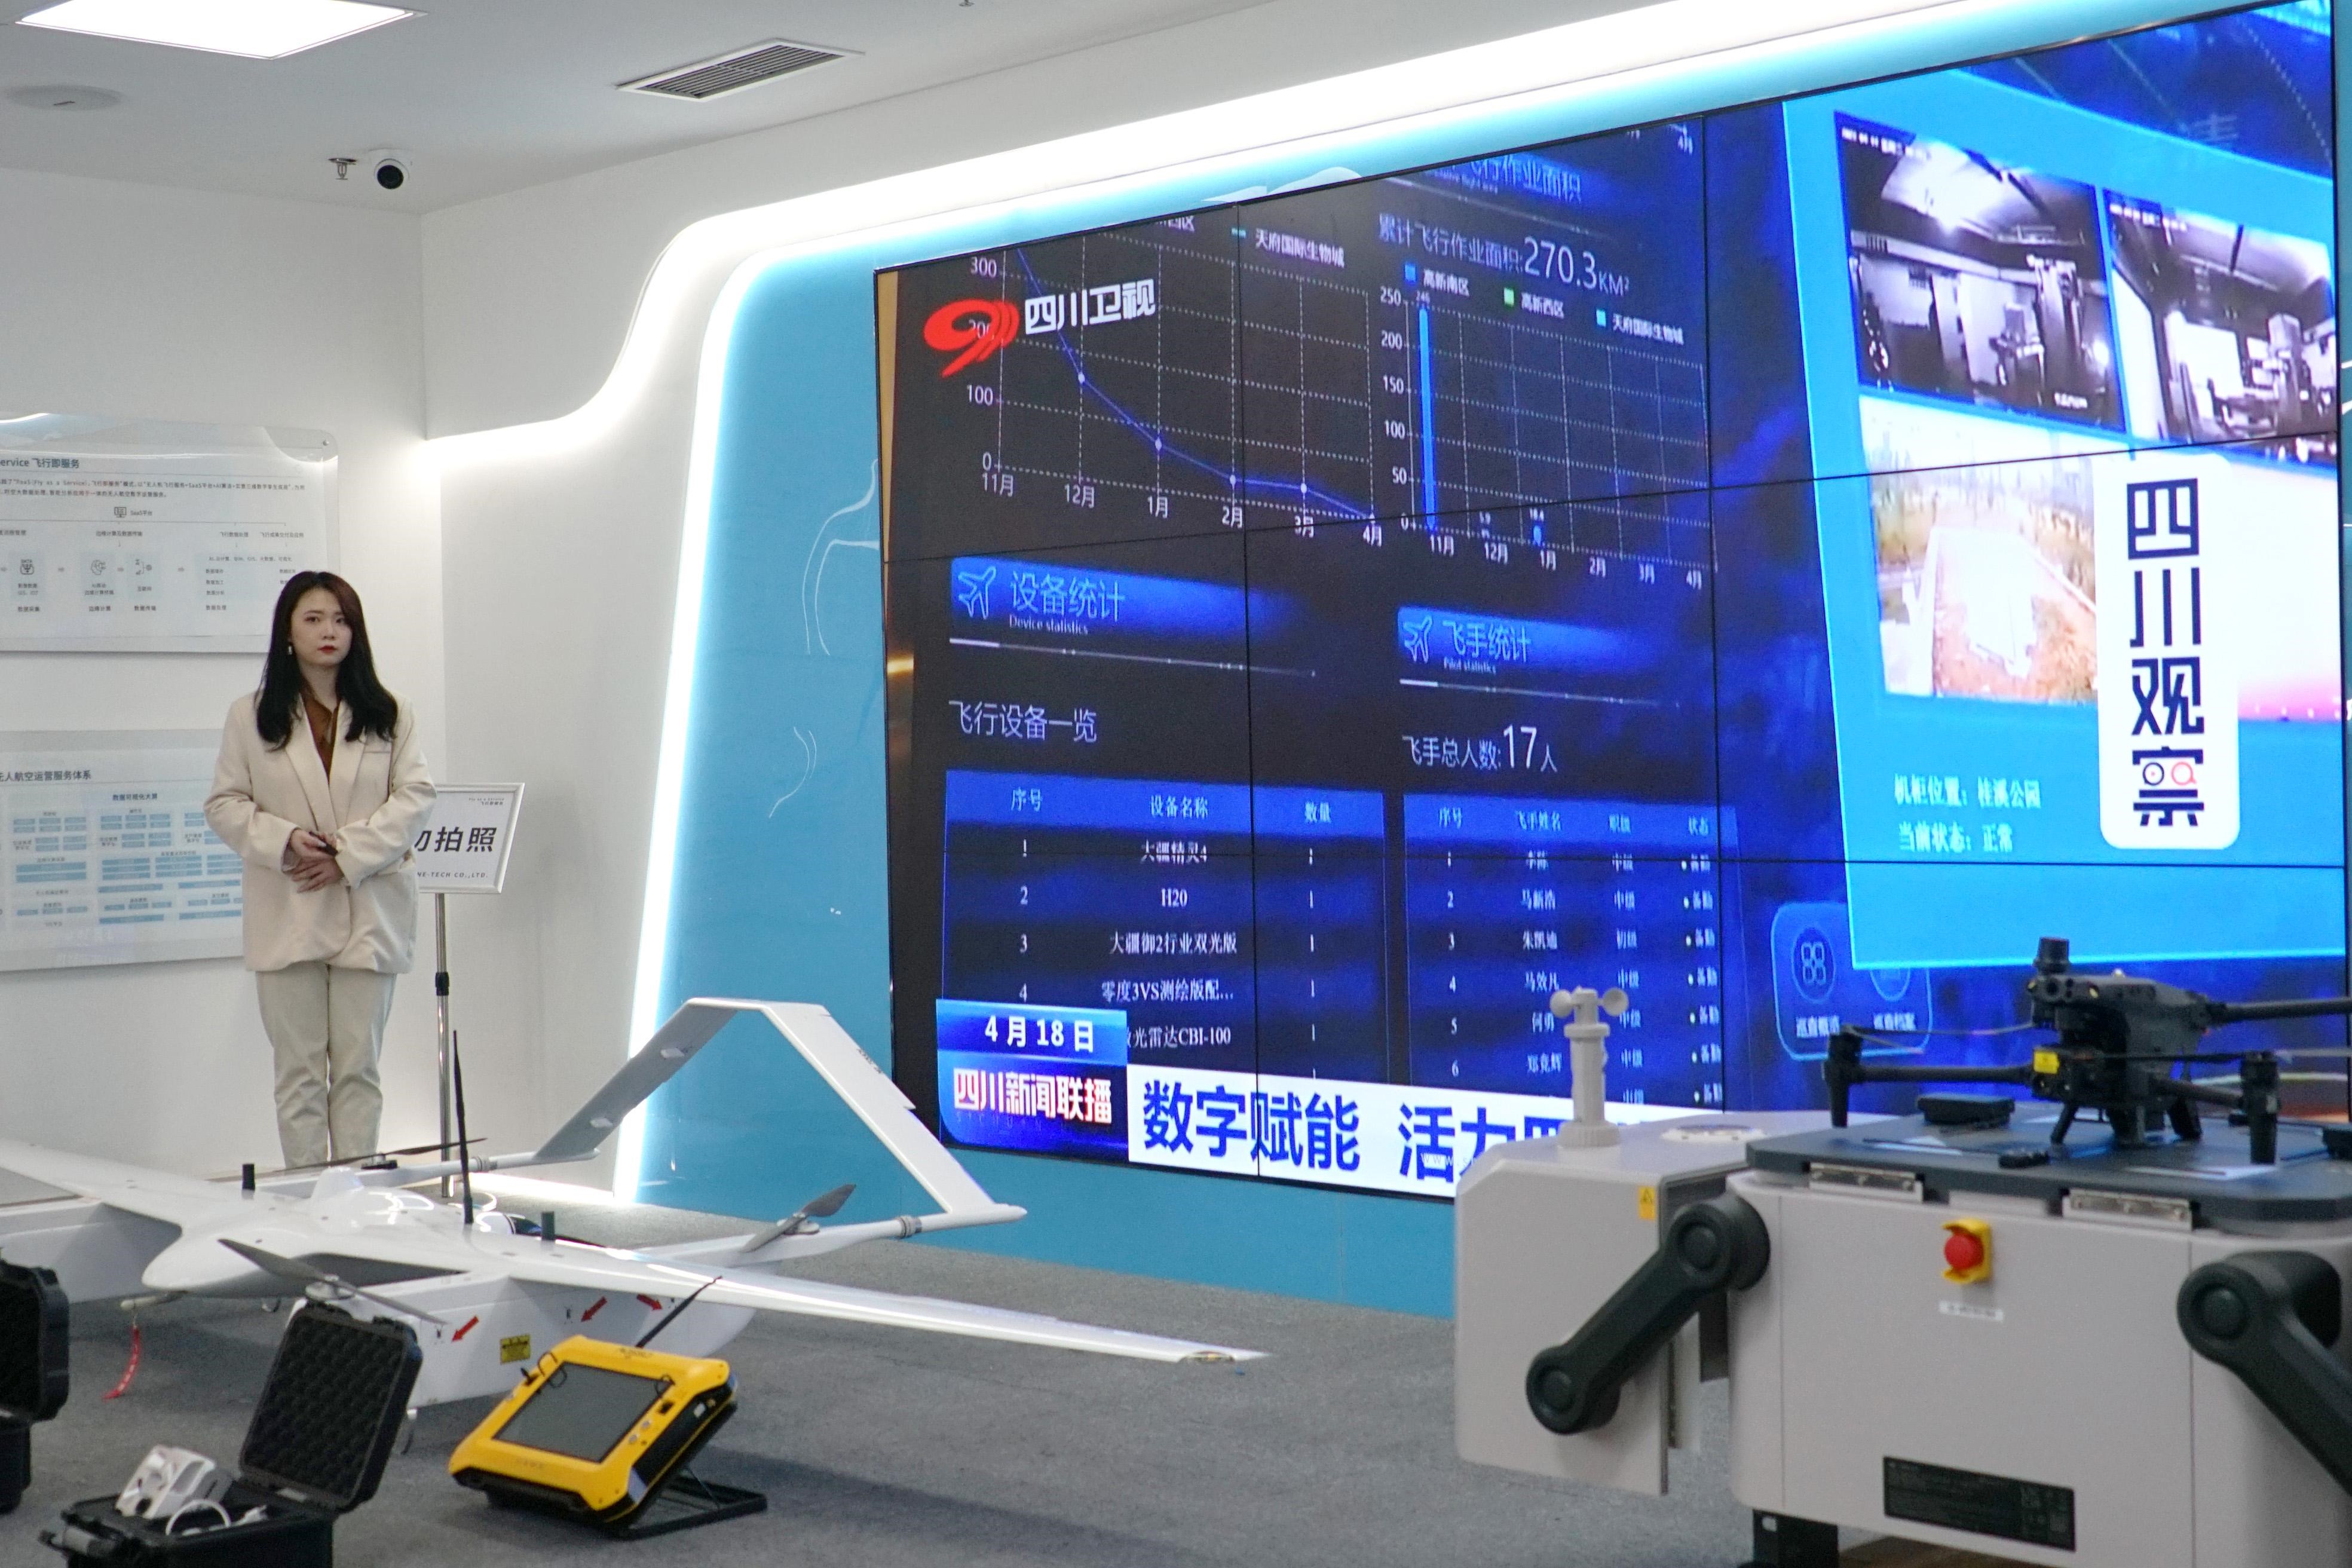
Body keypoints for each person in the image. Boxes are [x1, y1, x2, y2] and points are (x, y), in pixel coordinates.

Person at [205, 572, 433, 1168]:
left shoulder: (390, 712)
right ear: (288, 631)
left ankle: (353, 1196)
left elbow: (415, 798)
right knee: (299, 1073)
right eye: (313, 619)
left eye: (341, 619)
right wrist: (285, 841)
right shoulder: (251, 715)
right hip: (290, 908)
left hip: (369, 908)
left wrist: (346, 857)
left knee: (359, 1069)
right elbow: (225, 804)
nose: (329, 631)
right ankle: (305, 1196)